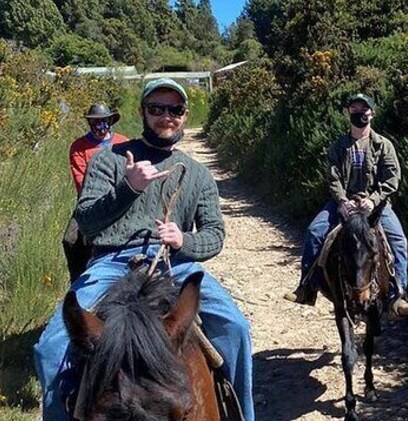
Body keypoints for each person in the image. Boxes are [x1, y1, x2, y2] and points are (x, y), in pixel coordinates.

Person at [34, 78, 254, 421]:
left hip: (173, 263)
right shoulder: (108, 160)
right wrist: (129, 187)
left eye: (175, 109)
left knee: (235, 328)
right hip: (111, 262)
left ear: (184, 115)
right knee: (52, 347)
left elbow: (214, 234)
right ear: (143, 113)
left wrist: (184, 240)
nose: (166, 116)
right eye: (157, 109)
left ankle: (242, 414)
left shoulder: (197, 174)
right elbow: (87, 222)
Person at [285, 93, 408, 318]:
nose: (359, 113)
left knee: (398, 239)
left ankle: (397, 296)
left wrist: (373, 200)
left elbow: (392, 179)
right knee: (314, 232)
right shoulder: (339, 146)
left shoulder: (383, 145)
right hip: (343, 203)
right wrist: (342, 201)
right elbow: (332, 178)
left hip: (376, 206)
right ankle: (307, 287)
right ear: (348, 113)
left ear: (372, 113)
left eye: (364, 110)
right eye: (355, 109)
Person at [63, 104, 128, 282]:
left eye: (103, 122)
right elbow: (81, 182)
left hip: (122, 198)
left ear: (110, 122)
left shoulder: (123, 142)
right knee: (70, 240)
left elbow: (129, 173)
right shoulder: (79, 147)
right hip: (91, 202)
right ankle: (77, 281)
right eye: (95, 123)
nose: (100, 127)